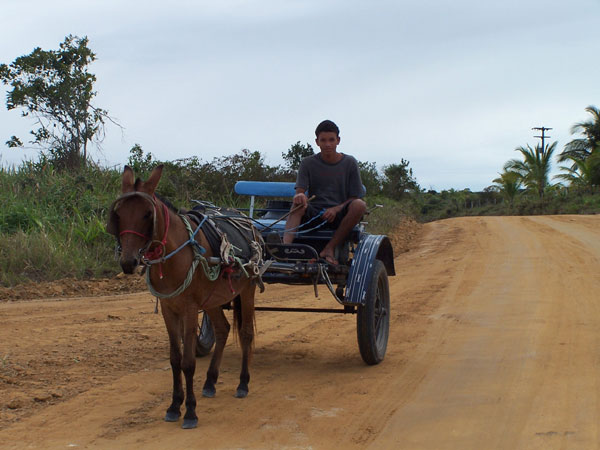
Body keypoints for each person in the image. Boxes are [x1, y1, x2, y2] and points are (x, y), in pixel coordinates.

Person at [283, 120, 367, 264]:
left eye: (331, 140)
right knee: (297, 204)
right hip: (315, 213)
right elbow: (300, 191)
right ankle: (284, 250)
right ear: (317, 142)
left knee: (359, 205)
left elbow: (354, 197)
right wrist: (301, 196)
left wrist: (336, 209)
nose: (327, 144)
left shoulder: (350, 163)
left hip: (340, 215)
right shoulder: (307, 163)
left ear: (338, 141)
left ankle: (330, 248)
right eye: (323, 140)